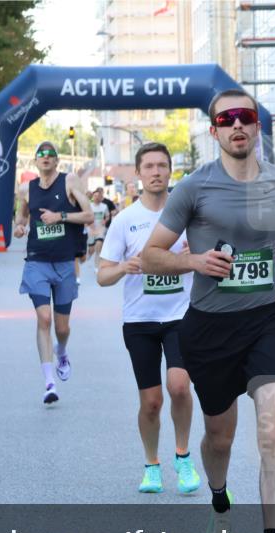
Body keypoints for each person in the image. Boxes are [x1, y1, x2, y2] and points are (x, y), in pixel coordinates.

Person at [141, 89, 275, 533]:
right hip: (211, 328)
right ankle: (219, 496)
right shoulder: (195, 187)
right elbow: (151, 255)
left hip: (267, 322)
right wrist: (194, 261)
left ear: (257, 126)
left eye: (246, 117)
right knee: (219, 439)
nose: (237, 125)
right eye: (227, 119)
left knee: (272, 431)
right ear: (214, 130)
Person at [97, 143, 200, 495]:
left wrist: (196, 253)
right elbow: (102, 275)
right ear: (139, 173)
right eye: (149, 166)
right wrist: (124, 267)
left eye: (162, 166)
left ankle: (183, 457)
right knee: (151, 402)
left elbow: (213, 257)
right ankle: (151, 464)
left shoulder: (187, 217)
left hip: (181, 315)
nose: (156, 172)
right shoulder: (125, 220)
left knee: (180, 386)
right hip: (140, 321)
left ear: (170, 171)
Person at [12, 141, 94, 404]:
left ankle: (63, 351)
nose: (45, 157)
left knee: (62, 327)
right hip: (36, 261)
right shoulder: (25, 189)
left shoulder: (69, 181)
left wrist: (60, 216)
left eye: (50, 154)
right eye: (41, 154)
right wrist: (20, 227)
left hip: (64, 262)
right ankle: (49, 382)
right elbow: (20, 218)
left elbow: (89, 215)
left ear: (57, 160)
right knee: (44, 318)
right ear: (36, 161)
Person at [87, 187, 110, 267]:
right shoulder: (89, 206)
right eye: (95, 196)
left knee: (99, 245)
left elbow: (107, 216)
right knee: (91, 249)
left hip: (100, 229)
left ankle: (97, 266)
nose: (96, 197)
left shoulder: (104, 206)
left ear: (100, 197)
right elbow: (85, 217)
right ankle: (89, 253)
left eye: (98, 196)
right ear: (93, 197)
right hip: (91, 230)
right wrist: (89, 223)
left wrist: (105, 220)